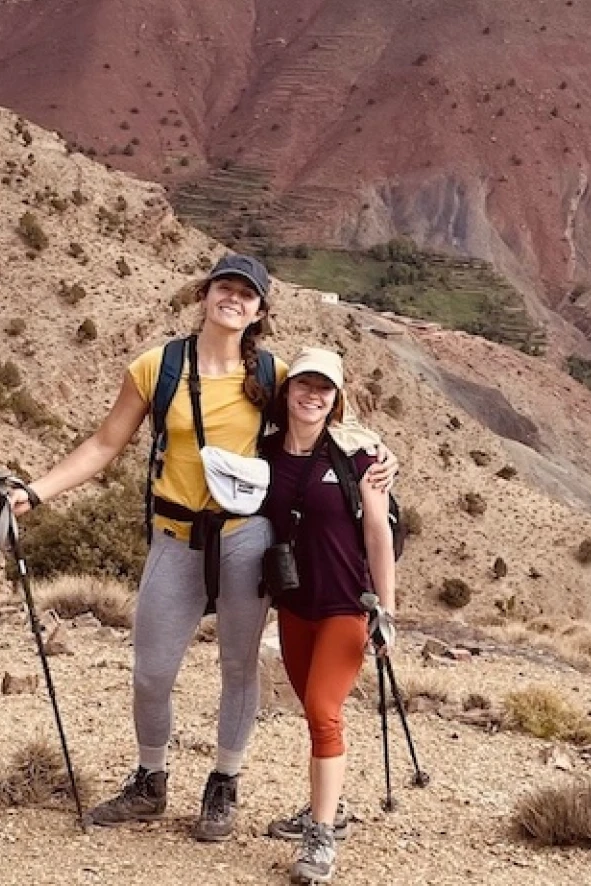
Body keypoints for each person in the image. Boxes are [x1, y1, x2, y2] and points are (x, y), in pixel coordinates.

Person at [1, 253, 394, 841]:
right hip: (175, 535)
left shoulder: (271, 372)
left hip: (245, 537)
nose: (233, 299)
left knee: (237, 666)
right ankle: (150, 781)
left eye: (247, 293)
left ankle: (224, 782)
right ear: (205, 295)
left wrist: (383, 455)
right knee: (152, 674)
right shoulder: (157, 367)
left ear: (260, 309)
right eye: (224, 288)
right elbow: (105, 443)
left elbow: (332, 412)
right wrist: (37, 490)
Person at [259, 347, 397, 885]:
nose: (312, 395)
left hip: (347, 605)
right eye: (304, 385)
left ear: (336, 399)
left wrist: (386, 611)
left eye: (324, 388)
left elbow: (378, 533)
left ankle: (321, 834)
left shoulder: (357, 456)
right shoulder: (265, 452)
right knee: (311, 711)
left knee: (323, 709)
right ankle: (326, 808)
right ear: (288, 390)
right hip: (294, 606)